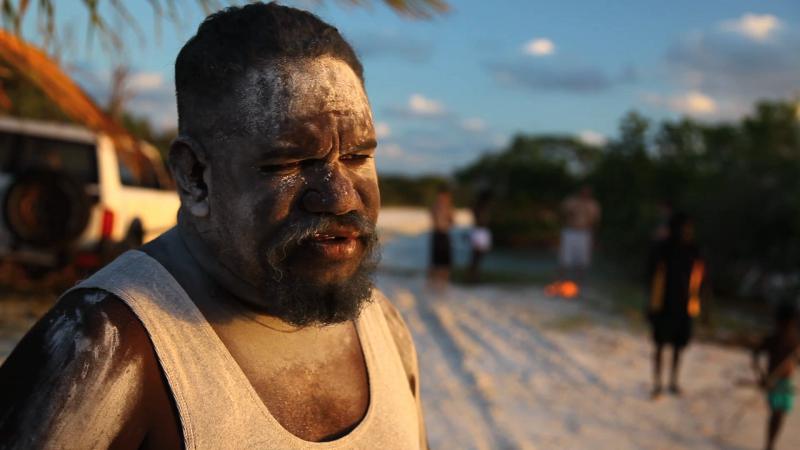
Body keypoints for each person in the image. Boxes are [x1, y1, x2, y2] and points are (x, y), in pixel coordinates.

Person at [0, 4, 427, 449]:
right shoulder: (105, 345)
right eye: (289, 162)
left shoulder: (385, 329)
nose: (339, 195)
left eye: (358, 156)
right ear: (195, 177)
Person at [646, 212, 704, 398]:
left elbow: (700, 279)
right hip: (663, 305)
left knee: (679, 346)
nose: (685, 232)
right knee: (660, 345)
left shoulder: (694, 250)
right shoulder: (662, 249)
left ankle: (673, 381)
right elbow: (651, 277)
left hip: (684, 306)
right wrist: (651, 306)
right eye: (682, 227)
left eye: (688, 228)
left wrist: (700, 306)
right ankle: (657, 383)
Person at [752, 303, 800, 450]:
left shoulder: (795, 342)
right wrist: (761, 376)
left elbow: (797, 361)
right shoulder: (773, 339)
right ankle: (770, 445)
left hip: (786, 383)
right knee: (777, 415)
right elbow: (755, 355)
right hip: (773, 382)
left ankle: (770, 444)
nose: (788, 326)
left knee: (780, 415)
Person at [558, 186, 601, 284]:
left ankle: (579, 284)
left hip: (584, 233)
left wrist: (594, 237)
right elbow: (563, 213)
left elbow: (595, 221)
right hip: (570, 232)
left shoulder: (593, 205)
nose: (585, 194)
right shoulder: (571, 201)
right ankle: (560, 283)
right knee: (565, 259)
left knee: (582, 260)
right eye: (583, 192)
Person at [428, 185, 454, 288]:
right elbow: (436, 221)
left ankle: (444, 284)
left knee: (445, 262)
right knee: (435, 261)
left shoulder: (449, 207)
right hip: (437, 234)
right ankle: (432, 282)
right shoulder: (435, 207)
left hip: (445, 234)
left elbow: (452, 222)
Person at [467, 189, 492, 283]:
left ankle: (474, 276)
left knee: (477, 256)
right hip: (479, 231)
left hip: (481, 231)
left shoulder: (479, 206)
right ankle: (472, 276)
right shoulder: (480, 207)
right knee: (476, 256)